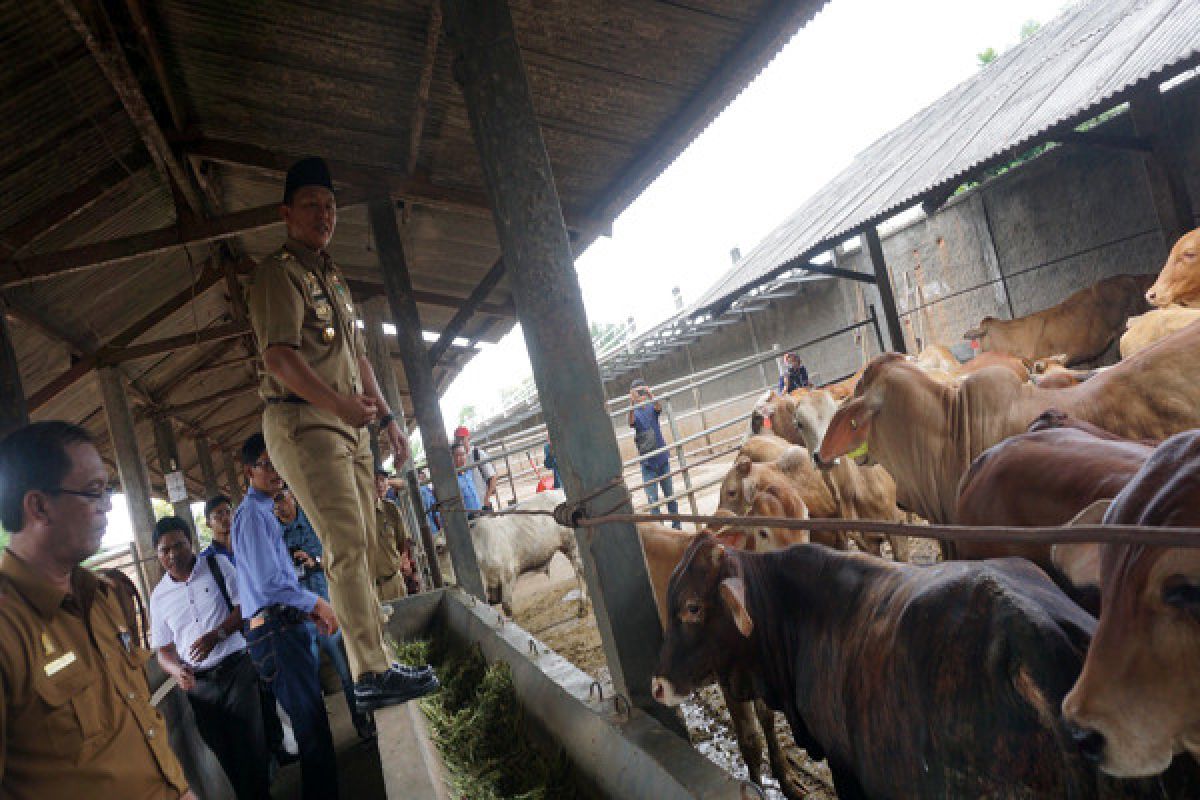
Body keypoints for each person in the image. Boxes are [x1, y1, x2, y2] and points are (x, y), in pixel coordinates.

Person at [246, 156, 437, 711]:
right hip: (305, 423)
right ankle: (370, 673)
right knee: (346, 542)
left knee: (368, 535)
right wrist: (338, 406)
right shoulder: (276, 274)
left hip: (347, 422)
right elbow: (279, 358)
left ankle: (378, 649)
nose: (323, 215)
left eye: (330, 207)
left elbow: (357, 356)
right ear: (286, 212)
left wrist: (386, 418)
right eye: (311, 205)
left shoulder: (331, 276)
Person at [0, 421, 191, 799]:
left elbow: (138, 719)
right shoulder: (9, 629)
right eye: (94, 493)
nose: (107, 506)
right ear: (39, 506)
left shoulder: (100, 598)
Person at [233, 433, 340, 799]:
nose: (275, 471)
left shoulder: (263, 513)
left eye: (278, 461)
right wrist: (315, 603)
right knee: (310, 727)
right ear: (249, 471)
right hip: (274, 630)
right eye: (265, 464)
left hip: (282, 624)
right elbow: (269, 582)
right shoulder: (251, 516)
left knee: (313, 720)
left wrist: (302, 610)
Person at [149, 516, 270, 800]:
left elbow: (245, 608)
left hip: (236, 671)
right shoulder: (159, 597)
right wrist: (177, 671)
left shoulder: (217, 566)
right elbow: (163, 651)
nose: (172, 555)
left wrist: (218, 634)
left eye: (178, 546)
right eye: (164, 550)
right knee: (223, 753)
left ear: (191, 543)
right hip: (200, 688)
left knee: (251, 748)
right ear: (157, 554)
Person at [272, 487, 374, 741]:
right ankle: (320, 738)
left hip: (328, 607)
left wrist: (314, 561)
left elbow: (337, 553)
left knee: (347, 670)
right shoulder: (272, 534)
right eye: (273, 502)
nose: (278, 506)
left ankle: (362, 723)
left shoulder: (313, 520)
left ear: (292, 496)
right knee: (307, 680)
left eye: (281, 498)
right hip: (299, 617)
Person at [628, 379, 681, 529]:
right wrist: (632, 403)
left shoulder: (652, 406)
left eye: (642, 391)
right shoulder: (635, 413)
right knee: (653, 500)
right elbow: (630, 422)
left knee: (670, 495)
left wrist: (651, 394)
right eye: (637, 392)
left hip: (662, 458)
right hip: (648, 464)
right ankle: (660, 529)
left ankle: (676, 526)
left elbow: (659, 407)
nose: (641, 394)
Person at [373, 468, 417, 602]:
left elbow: (403, 541)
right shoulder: (357, 515)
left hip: (394, 582)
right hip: (370, 588)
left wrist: (404, 560)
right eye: (375, 481)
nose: (380, 485)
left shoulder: (391, 509)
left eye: (382, 480)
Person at [453, 426, 497, 510]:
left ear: (468, 438)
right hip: (469, 508)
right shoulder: (456, 459)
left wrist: (486, 499)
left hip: (482, 503)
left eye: (462, 438)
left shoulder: (478, 454)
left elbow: (493, 477)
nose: (460, 441)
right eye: (458, 439)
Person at [200, 494, 235, 564]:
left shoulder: (244, 549)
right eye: (219, 513)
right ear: (208, 523)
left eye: (228, 512)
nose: (226, 518)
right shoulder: (205, 560)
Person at [451, 443, 483, 517]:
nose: (461, 458)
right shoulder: (452, 480)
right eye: (457, 456)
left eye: (463, 454)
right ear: (451, 458)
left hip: (479, 512)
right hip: (467, 518)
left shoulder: (468, 472)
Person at [417, 468, 440, 532]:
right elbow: (434, 510)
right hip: (432, 528)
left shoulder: (426, 488)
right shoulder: (424, 490)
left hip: (419, 531)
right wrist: (439, 527)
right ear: (420, 476)